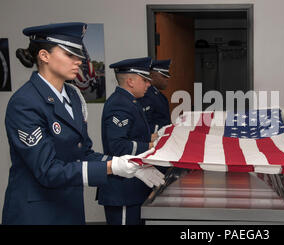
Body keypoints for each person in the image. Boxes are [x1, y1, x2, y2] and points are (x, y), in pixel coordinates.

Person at [2, 22, 163, 225]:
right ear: (44, 56)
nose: (78, 61)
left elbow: (83, 153)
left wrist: (129, 164)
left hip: (70, 207)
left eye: (78, 54)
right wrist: (112, 167)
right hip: (37, 212)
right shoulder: (25, 102)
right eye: (69, 54)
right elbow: (48, 171)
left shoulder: (72, 96)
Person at [98, 57, 165, 225]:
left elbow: (134, 135)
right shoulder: (119, 104)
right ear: (130, 81)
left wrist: (155, 137)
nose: (149, 84)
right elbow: (117, 146)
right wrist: (150, 145)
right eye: (145, 80)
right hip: (123, 188)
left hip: (133, 185)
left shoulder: (131, 101)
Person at [138, 59, 172, 135]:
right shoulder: (146, 94)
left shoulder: (158, 94)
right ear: (152, 75)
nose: (167, 79)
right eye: (163, 76)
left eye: (167, 76)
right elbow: (144, 125)